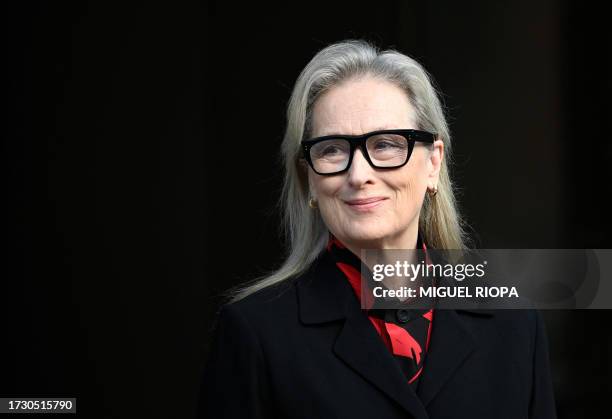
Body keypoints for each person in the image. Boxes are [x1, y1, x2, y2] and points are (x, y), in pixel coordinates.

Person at [198, 40, 557, 418]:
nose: (359, 175)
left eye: (385, 144)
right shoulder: (256, 334)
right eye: (332, 150)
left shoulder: (514, 325)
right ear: (309, 180)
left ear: (433, 164)